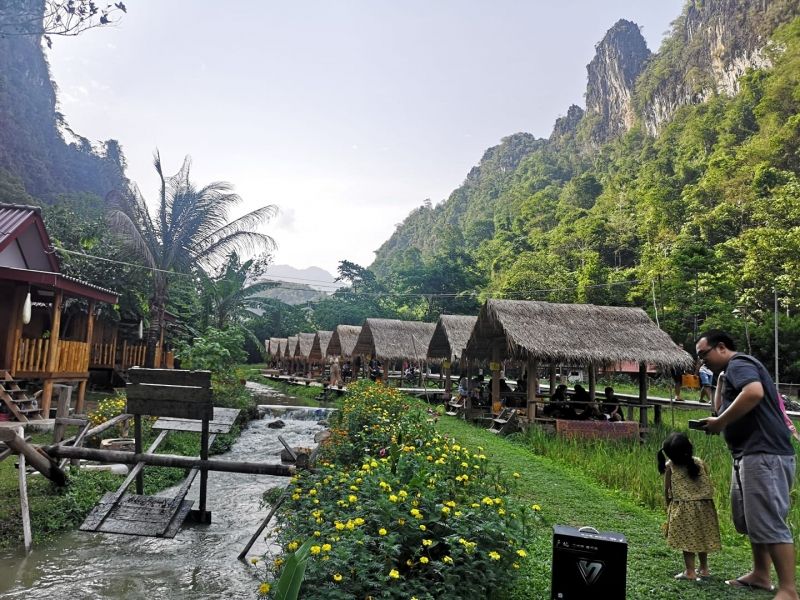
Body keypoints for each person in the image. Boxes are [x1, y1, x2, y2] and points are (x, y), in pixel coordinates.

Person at [696, 330, 798, 597]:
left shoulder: (740, 363)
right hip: (746, 454)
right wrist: (720, 384)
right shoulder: (729, 372)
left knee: (768, 518)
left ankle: (788, 589)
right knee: (750, 520)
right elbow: (719, 410)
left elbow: (754, 392)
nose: (701, 361)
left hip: (765, 453)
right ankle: (761, 574)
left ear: (720, 347)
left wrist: (720, 424)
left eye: (703, 354)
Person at [657, 432, 722, 581]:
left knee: (687, 540)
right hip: (704, 507)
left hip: (683, 509)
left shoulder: (670, 467)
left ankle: (690, 572)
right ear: (689, 447)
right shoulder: (699, 462)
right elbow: (706, 479)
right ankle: (704, 568)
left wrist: (669, 507)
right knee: (701, 536)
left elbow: (667, 490)